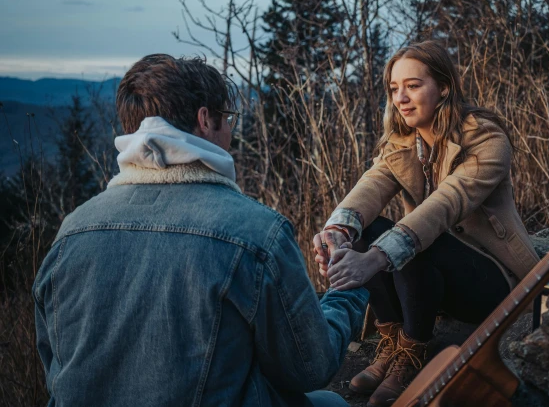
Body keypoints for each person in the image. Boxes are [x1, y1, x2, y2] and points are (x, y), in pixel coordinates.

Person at [33, 54, 367, 407]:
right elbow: (310, 368)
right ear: (205, 119)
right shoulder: (257, 232)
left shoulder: (71, 231)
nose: (230, 132)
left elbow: (54, 367)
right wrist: (346, 292)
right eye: (228, 119)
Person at [312, 41, 541, 406]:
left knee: (411, 239)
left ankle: (413, 352)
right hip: (431, 280)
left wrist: (373, 259)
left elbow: (444, 206)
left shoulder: (486, 139)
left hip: (489, 280)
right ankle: (393, 343)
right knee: (367, 230)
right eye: (394, 88)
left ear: (444, 88)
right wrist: (337, 231)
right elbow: (370, 187)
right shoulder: (403, 142)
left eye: (413, 85)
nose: (401, 98)